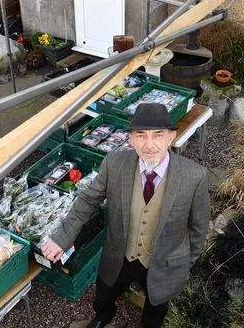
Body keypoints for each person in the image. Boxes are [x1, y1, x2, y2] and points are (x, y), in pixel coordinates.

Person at [41, 102, 210, 328]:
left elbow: (199, 228)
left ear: (171, 137)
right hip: (121, 253)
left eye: (157, 135)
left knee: (156, 307)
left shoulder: (194, 176)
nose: (149, 145)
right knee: (104, 292)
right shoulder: (115, 163)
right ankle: (104, 316)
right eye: (141, 135)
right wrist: (61, 236)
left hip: (164, 261)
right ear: (130, 139)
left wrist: (184, 263)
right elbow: (88, 200)